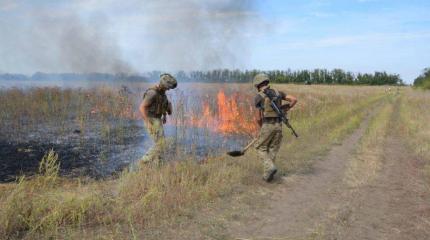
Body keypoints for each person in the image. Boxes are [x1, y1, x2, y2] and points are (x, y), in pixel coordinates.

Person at [253, 73, 297, 182]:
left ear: (258, 85)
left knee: (259, 147)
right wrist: (285, 108)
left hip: (267, 125)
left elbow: (258, 117)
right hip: (279, 125)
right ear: (267, 82)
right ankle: (268, 176)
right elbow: (294, 99)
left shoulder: (259, 97)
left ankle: (270, 168)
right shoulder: (278, 93)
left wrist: (261, 128)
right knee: (272, 149)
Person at [138, 73, 177, 166]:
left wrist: (166, 113)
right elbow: (142, 107)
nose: (168, 89)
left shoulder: (162, 94)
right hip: (151, 119)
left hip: (157, 120)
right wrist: (148, 122)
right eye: (167, 87)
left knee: (161, 144)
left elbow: (167, 108)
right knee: (161, 143)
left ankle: (159, 164)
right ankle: (144, 160)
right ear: (163, 84)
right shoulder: (153, 93)